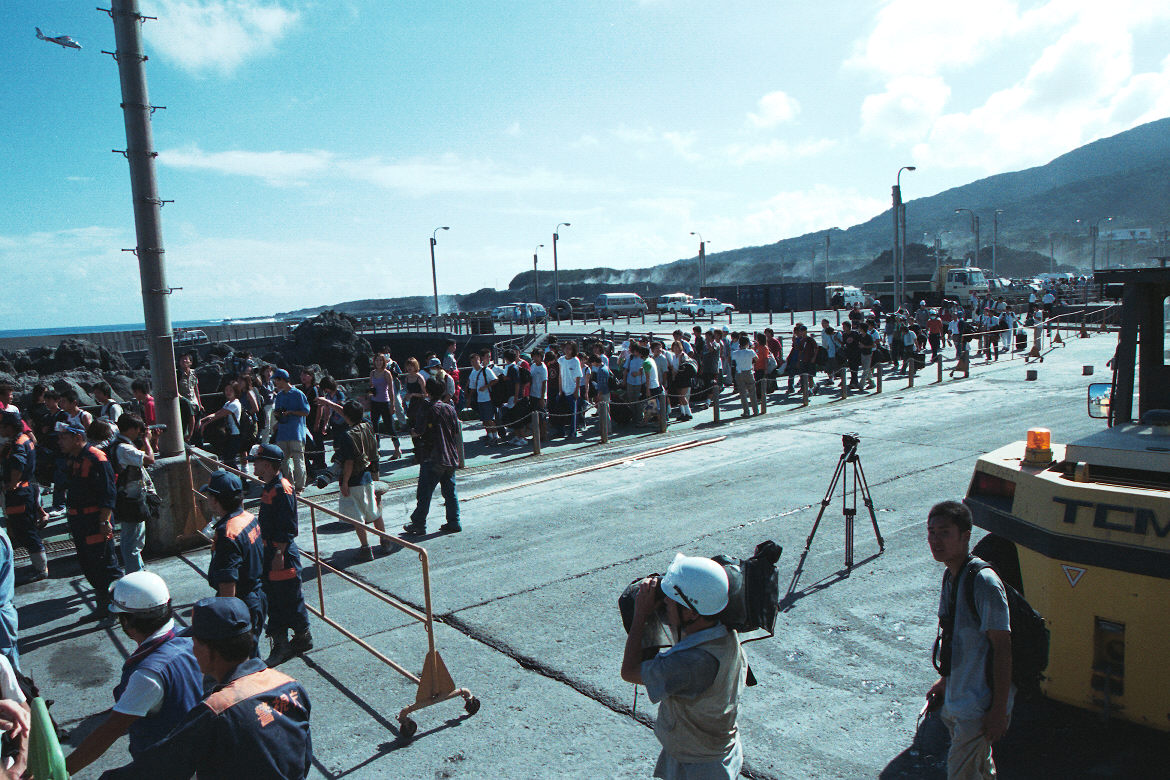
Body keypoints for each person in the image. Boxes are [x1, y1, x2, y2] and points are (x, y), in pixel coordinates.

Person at [98, 596, 312, 780]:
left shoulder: (216, 711)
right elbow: (303, 756)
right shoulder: (291, 686)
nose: (191, 648)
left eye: (195, 642)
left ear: (211, 650)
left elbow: (159, 767)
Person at [621, 553, 747, 779]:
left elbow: (630, 671)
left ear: (691, 611)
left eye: (672, 599)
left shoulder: (690, 664)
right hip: (705, 750)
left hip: (699, 767)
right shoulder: (721, 630)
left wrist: (641, 613)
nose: (666, 601)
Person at [66, 572, 203, 775]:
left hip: (167, 765)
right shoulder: (192, 641)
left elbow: (111, 730)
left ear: (128, 622)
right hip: (196, 754)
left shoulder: (147, 674)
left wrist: (59, 771)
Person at [925, 501, 1013, 780]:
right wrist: (945, 681)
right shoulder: (951, 577)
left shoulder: (984, 582)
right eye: (931, 532)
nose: (936, 540)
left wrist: (998, 710)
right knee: (982, 774)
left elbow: (1003, 648)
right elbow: (956, 640)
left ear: (966, 536)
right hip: (958, 703)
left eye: (944, 532)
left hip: (976, 708)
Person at [248, 445, 313, 666]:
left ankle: (295, 640)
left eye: (256, 461)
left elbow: (287, 526)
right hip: (271, 551)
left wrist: (278, 552)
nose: (253, 465)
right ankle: (285, 641)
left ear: (267, 464)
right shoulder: (270, 486)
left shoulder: (281, 488)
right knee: (274, 598)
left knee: (287, 599)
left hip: (281, 554)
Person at [60, 422, 123, 623]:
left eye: (63, 437)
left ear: (77, 438)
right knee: (89, 563)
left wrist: (104, 521)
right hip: (81, 521)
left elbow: (108, 492)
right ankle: (103, 606)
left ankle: (119, 608)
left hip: (96, 520)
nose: (60, 442)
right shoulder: (76, 458)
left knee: (105, 564)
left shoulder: (97, 458)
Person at [201, 470, 266, 652]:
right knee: (251, 654)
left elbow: (228, 582)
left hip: (240, 604)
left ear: (215, 499)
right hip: (257, 596)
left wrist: (226, 621)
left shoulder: (227, 532)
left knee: (241, 661)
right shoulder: (250, 518)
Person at [402, 378, 460, 535]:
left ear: (427, 391)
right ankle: (454, 521)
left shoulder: (426, 408)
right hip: (450, 456)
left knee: (425, 493)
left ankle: (419, 523)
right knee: (450, 492)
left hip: (432, 456)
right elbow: (456, 430)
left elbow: (419, 430)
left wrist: (412, 431)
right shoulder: (450, 408)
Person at [0, 411, 47, 584]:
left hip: (19, 493)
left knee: (26, 530)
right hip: (26, 490)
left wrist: (12, 483)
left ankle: (41, 569)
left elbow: (18, 464)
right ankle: (39, 566)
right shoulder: (23, 440)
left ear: (9, 427)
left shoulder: (18, 444)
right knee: (23, 528)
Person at [110, 414, 156, 574]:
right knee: (133, 541)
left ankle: (138, 570)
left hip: (127, 496)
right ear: (131, 429)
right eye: (138, 429)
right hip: (131, 499)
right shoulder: (124, 448)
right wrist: (147, 441)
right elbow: (150, 459)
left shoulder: (118, 444)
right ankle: (135, 574)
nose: (140, 432)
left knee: (131, 538)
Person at [272, 369, 310, 492]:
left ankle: (300, 486)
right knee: (283, 461)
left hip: (296, 432)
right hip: (283, 432)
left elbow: (306, 411)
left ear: (281, 379)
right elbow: (278, 413)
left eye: (276, 380)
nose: (275, 383)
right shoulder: (279, 396)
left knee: (298, 460)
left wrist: (291, 412)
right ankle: (289, 484)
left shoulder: (298, 394)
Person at [369, 353, 403, 460]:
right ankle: (376, 449)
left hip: (385, 402)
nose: (378, 362)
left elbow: (391, 390)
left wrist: (392, 404)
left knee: (390, 427)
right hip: (375, 402)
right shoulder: (372, 373)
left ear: (384, 362)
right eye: (377, 360)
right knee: (374, 427)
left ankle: (397, 450)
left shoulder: (386, 373)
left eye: (380, 360)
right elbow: (371, 387)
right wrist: (369, 395)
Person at [730, 336, 758, 418]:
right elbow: (757, 359)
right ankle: (755, 410)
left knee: (742, 394)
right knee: (752, 392)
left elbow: (731, 359)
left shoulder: (735, 353)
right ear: (747, 343)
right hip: (749, 372)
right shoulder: (751, 352)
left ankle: (746, 411)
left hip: (739, 373)